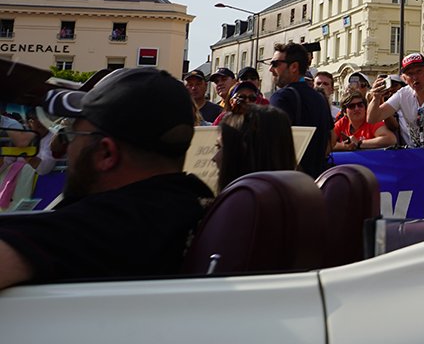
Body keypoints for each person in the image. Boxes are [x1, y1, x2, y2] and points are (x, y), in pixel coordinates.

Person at [0, 68, 212, 289]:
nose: (67, 149)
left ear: (106, 154)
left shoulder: (100, 228)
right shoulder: (194, 201)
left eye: (70, 136)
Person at [267, 42, 333, 178]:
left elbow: (273, 143)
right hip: (318, 180)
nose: (270, 69)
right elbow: (330, 139)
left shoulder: (281, 97)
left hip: (288, 180)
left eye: (275, 64)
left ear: (294, 67)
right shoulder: (320, 98)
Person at [214, 104, 296, 191]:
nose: (214, 158)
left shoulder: (242, 197)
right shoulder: (299, 190)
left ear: (244, 150)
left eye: (220, 147)